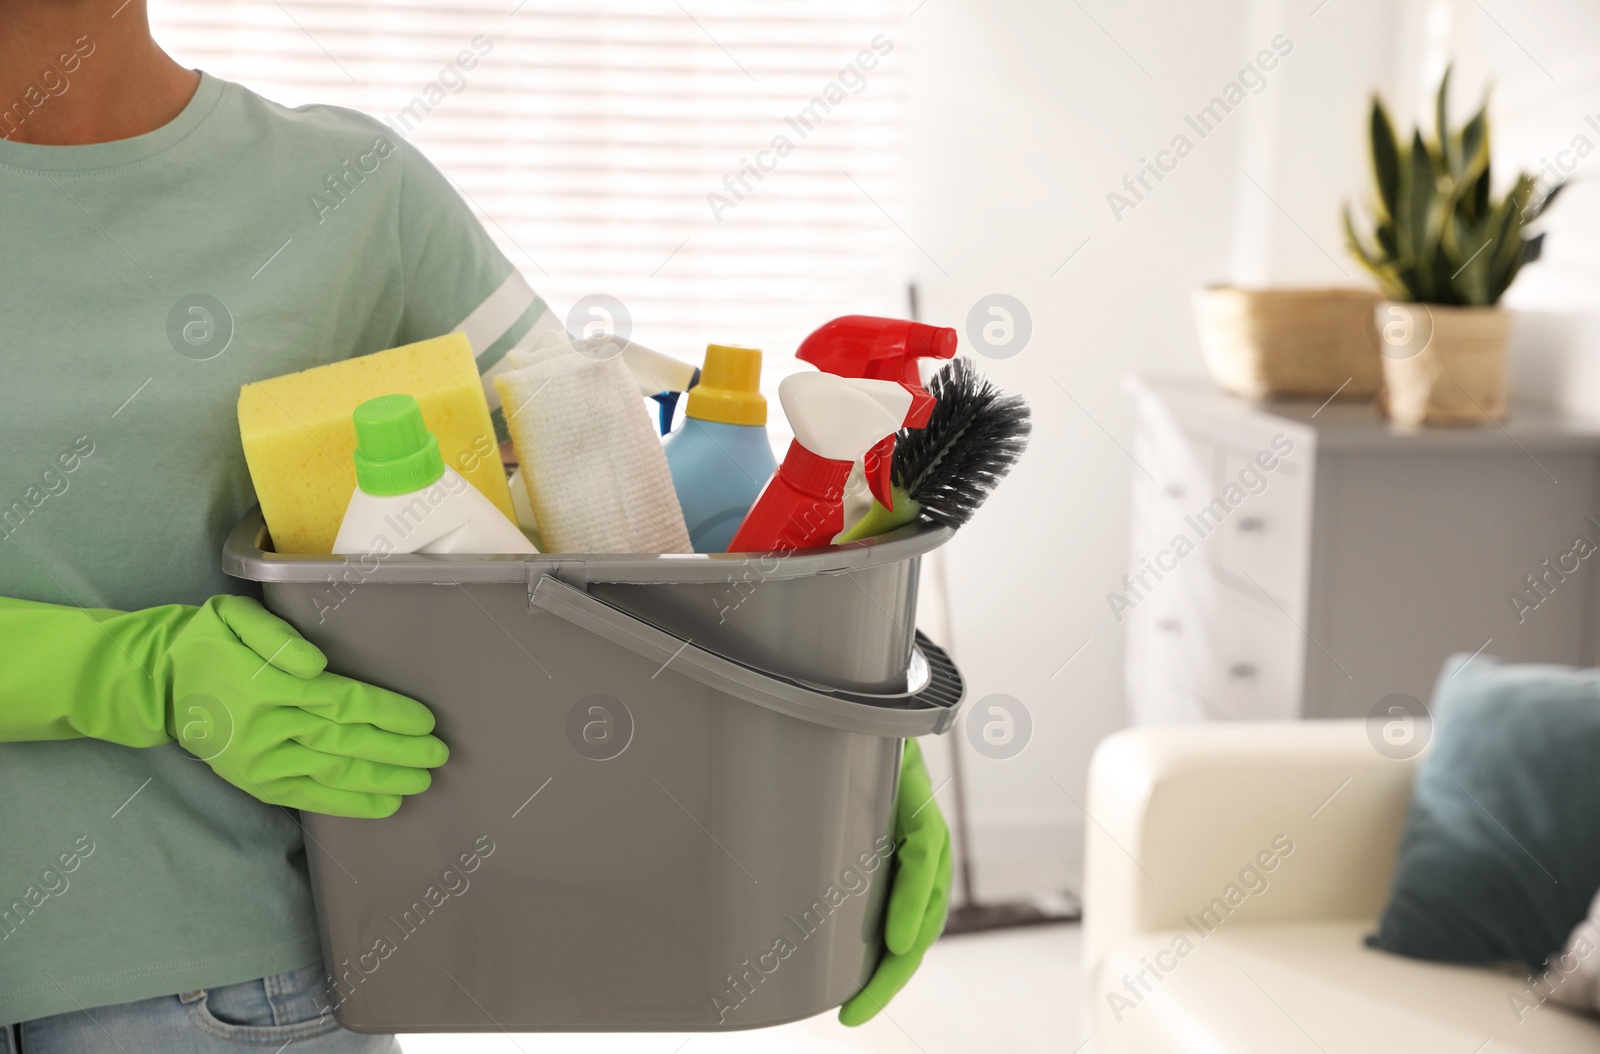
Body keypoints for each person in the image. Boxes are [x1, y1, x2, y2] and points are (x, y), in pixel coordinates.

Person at [0, 2, 954, 1051]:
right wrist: (125, 672)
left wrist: (831, 744)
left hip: (214, 983)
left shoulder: (347, 191)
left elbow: (617, 529)